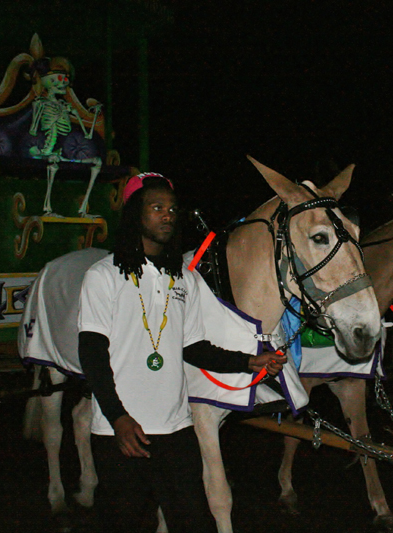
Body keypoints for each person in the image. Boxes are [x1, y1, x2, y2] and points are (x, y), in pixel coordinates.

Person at [78, 173, 285, 532]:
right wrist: (118, 417)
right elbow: (92, 354)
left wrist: (248, 361)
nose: (167, 215)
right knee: (121, 523)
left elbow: (193, 347)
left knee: (193, 522)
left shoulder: (185, 279)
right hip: (122, 434)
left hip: (176, 431)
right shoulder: (104, 276)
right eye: (156, 207)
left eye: (172, 209)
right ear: (134, 215)